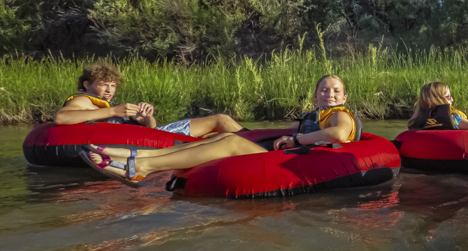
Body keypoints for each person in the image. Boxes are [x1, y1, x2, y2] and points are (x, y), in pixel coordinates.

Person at [82, 75, 357, 186]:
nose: (329, 94)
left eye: (336, 91)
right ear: (315, 95)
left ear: (344, 98)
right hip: (292, 153)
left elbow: (339, 135)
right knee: (226, 135)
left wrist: (296, 138)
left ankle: (139, 168)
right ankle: (130, 155)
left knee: (230, 144)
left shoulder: (339, 114)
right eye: (324, 90)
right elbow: (289, 131)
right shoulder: (315, 115)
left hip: (302, 162)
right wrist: (285, 133)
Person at [56, 62, 243, 137]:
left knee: (214, 133)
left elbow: (151, 129)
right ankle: (259, 143)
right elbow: (61, 118)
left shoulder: (102, 105)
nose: (109, 90)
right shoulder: (84, 101)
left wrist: (147, 118)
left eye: (113, 86)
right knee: (221, 120)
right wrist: (114, 111)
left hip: (147, 137)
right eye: (104, 84)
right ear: (87, 85)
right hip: (152, 138)